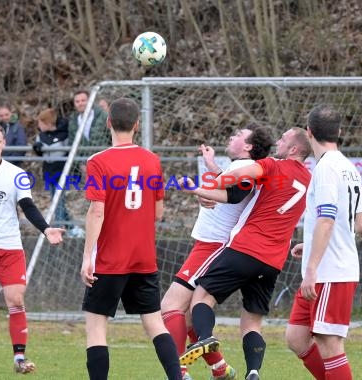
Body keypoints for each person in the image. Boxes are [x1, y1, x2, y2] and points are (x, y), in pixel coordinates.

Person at [178, 127, 312, 380]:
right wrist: (211, 170)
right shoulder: (308, 180)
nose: (278, 142)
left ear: (294, 149)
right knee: (252, 323)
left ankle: (205, 339)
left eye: (283, 139)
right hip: (274, 262)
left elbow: (239, 174)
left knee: (201, 297)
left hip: (245, 249)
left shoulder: (273, 165)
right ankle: (253, 371)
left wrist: (201, 186)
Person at [161, 123, 274, 380]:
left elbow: (235, 194)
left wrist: (198, 189)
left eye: (238, 135)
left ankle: (178, 373)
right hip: (208, 244)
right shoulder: (241, 168)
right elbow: (234, 187)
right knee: (189, 316)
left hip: (214, 246)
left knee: (169, 307)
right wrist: (212, 167)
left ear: (248, 146)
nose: (232, 135)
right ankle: (220, 368)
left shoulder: (246, 170)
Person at [80, 97, 181, 380]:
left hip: (111, 258)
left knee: (97, 326)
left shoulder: (98, 162)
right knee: (154, 323)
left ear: (109, 123)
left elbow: (96, 210)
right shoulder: (152, 160)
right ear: (137, 125)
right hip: (143, 257)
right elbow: (158, 213)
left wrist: (88, 257)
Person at [0, 122, 65, 374]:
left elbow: (27, 205)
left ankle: (19, 358)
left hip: (9, 245)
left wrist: (46, 228)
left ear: (4, 144)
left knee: (16, 298)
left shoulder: (16, 173)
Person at [285, 105, 362, 380]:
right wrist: (312, 245)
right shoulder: (348, 167)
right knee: (297, 337)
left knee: (329, 344)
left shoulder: (326, 168)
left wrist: (312, 267)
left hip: (330, 272)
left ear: (309, 133)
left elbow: (328, 219)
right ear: (339, 132)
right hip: (327, 266)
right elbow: (360, 223)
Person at [32, 107, 75, 231]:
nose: (38, 125)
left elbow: (69, 151)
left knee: (59, 199)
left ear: (48, 123)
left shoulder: (64, 134)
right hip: (48, 170)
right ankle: (70, 226)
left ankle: (58, 226)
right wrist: (37, 148)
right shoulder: (41, 136)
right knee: (54, 198)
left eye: (40, 122)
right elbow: (41, 153)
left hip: (61, 170)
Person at [68, 89, 110, 173]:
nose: (80, 103)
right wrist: (80, 164)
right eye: (77, 101)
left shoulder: (103, 116)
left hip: (105, 164)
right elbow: (72, 145)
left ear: (90, 101)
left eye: (83, 100)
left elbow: (114, 137)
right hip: (85, 167)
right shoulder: (73, 122)